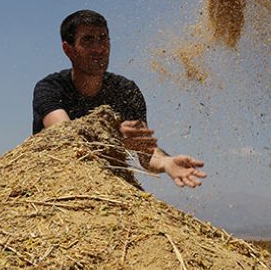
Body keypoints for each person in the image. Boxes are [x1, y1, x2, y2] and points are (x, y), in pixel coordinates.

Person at [32, 10, 206, 188]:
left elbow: (145, 152)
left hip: (106, 188)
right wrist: (115, 134)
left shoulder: (125, 91)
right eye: (88, 40)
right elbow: (66, 135)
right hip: (57, 186)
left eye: (103, 38)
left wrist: (166, 162)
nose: (99, 48)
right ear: (69, 50)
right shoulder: (51, 88)